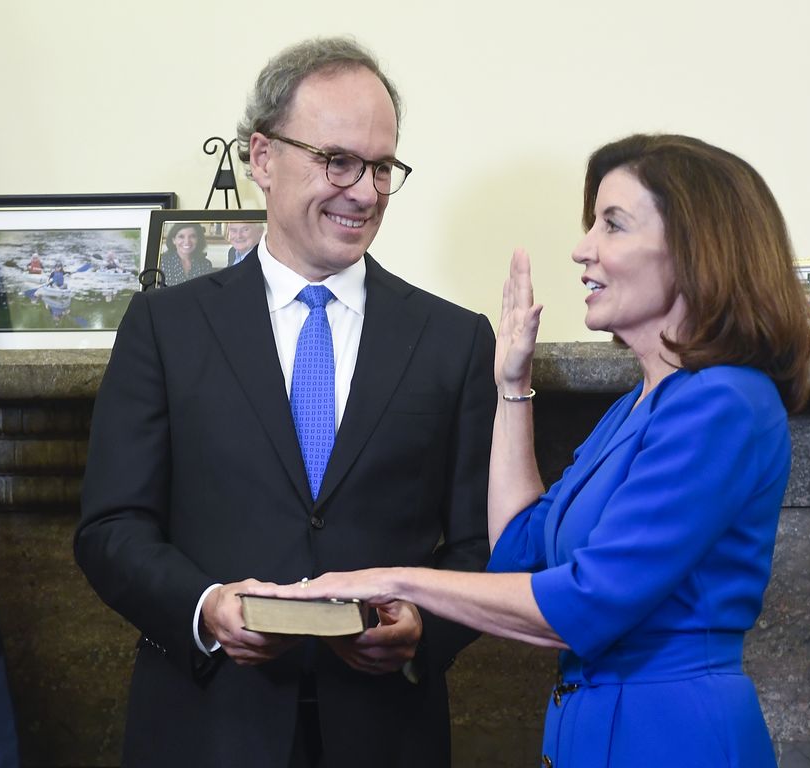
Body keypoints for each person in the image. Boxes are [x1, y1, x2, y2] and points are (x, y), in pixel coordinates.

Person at [254, 134, 810, 767]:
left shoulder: (724, 403)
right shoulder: (639, 405)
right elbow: (519, 548)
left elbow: (584, 605)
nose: (582, 249)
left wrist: (387, 577)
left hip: (673, 737)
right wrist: (512, 385)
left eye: (613, 224)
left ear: (694, 252)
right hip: (592, 730)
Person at [74, 37, 496, 767]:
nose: (364, 191)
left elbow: (479, 545)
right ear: (262, 158)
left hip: (387, 731)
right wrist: (206, 607)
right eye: (338, 161)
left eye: (382, 167)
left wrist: (424, 627)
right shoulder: (165, 327)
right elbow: (111, 527)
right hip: (207, 725)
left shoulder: (453, 341)